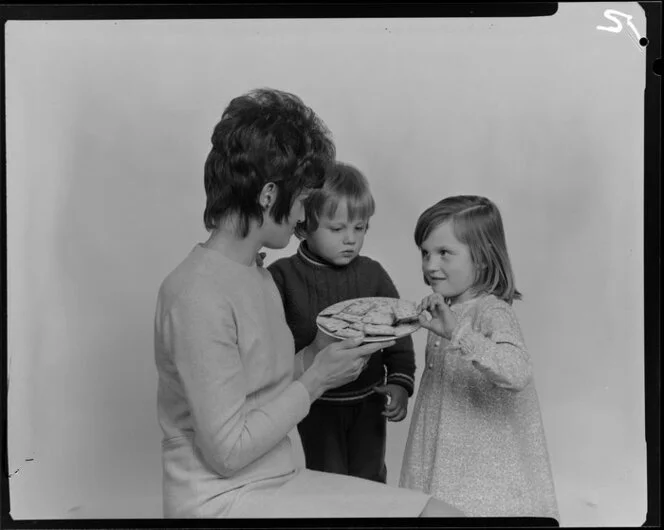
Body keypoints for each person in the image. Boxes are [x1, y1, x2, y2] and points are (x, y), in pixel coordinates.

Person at [153, 87, 464, 518]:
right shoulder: (196, 295)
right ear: (268, 195)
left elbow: (261, 391)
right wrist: (316, 379)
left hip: (278, 480)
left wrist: (317, 354)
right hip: (222, 502)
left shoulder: (254, 274)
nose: (303, 217)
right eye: (302, 199)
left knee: (444, 516)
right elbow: (228, 451)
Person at [399, 195, 559, 520]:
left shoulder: (492, 311)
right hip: (441, 449)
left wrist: (459, 333)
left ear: (483, 259)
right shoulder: (445, 307)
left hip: (484, 465)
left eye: (444, 253)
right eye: (425, 253)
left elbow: (517, 371)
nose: (430, 265)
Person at [267, 162, 416, 484]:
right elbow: (267, 346)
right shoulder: (281, 277)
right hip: (315, 402)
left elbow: (399, 332)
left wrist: (401, 381)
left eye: (360, 228)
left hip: (370, 401)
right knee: (328, 481)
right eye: (337, 229)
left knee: (370, 477)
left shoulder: (373, 274)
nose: (350, 239)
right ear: (303, 227)